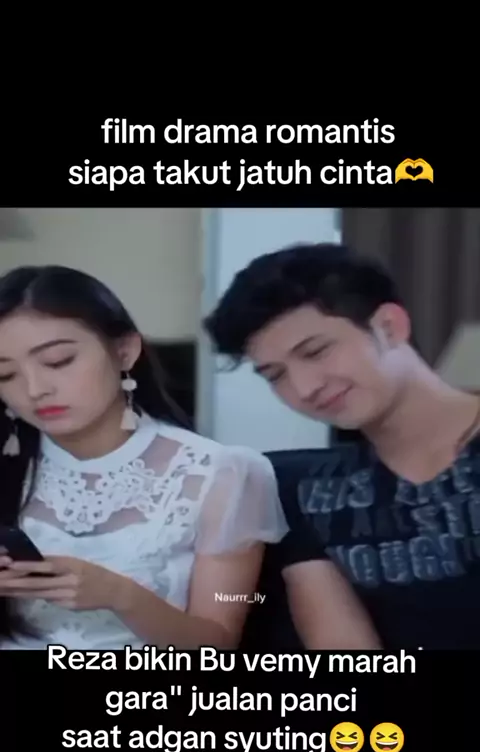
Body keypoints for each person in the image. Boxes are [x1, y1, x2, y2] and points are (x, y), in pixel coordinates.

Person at [203, 242, 480, 650]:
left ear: (389, 327)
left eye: (316, 352)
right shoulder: (301, 491)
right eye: (275, 375)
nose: (304, 388)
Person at [0, 264, 288, 650]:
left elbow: (217, 645)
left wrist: (120, 595)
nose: (35, 389)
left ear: (124, 351)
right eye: (6, 376)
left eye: (58, 361)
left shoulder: (224, 473)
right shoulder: (10, 469)